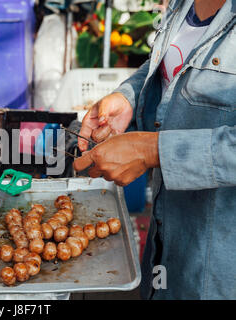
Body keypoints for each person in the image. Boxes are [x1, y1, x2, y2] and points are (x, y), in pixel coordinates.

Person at [73, 0, 235, 299]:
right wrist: (129, 97)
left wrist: (152, 150)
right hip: (167, 245)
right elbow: (168, 63)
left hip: (219, 271)